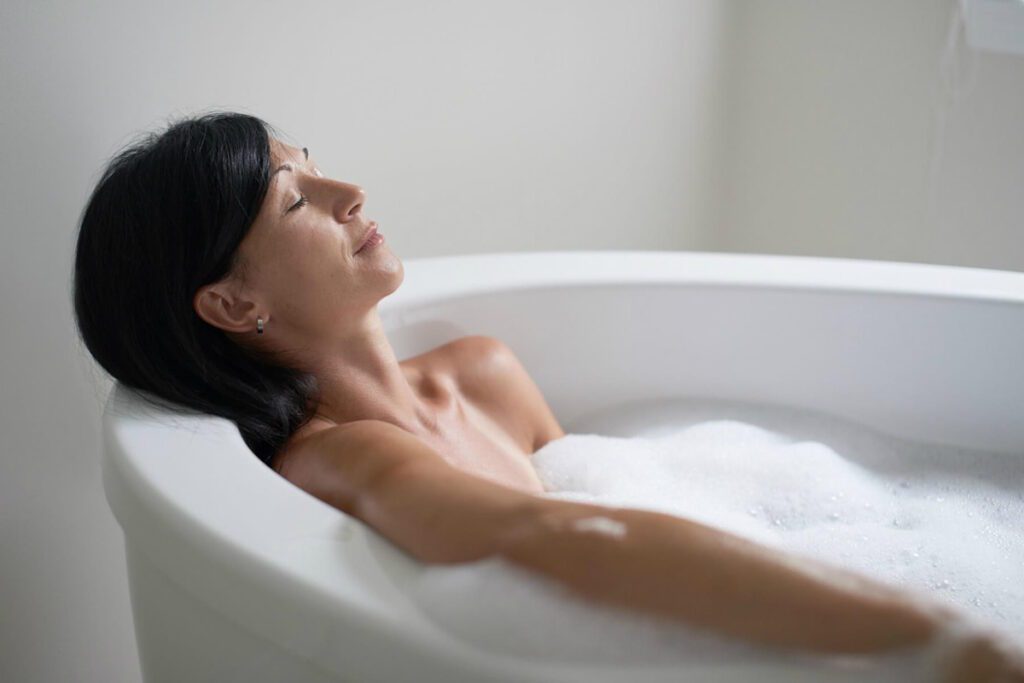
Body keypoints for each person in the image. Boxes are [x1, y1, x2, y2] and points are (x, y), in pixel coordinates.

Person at [72, 111, 1023, 682]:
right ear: (233, 302)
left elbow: (614, 508)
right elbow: (557, 540)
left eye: (317, 161)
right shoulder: (339, 455)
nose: (349, 190)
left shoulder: (483, 371)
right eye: (296, 198)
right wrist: (938, 636)